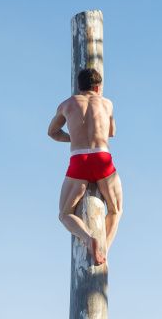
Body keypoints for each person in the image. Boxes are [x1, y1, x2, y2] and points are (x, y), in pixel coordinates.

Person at [48, 68, 123, 265]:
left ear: (79, 86)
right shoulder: (107, 103)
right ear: (98, 87)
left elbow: (52, 132)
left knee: (65, 213)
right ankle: (104, 250)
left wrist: (74, 137)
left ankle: (88, 238)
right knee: (115, 210)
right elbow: (112, 132)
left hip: (79, 160)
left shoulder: (67, 104)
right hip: (102, 158)